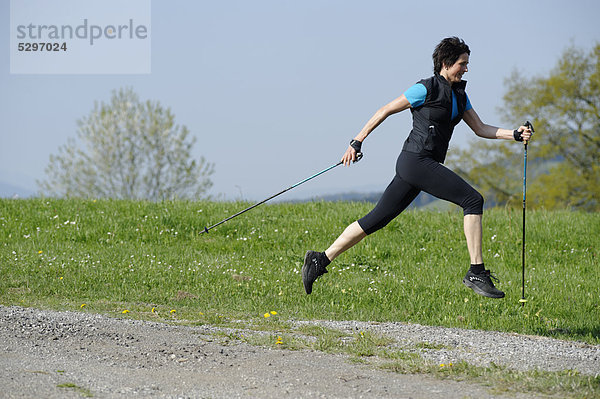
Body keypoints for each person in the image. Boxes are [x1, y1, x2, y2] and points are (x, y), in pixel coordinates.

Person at [302, 37, 532, 298]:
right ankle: (476, 271)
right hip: (416, 161)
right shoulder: (425, 88)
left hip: (421, 165)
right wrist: (357, 141)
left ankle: (320, 260)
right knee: (472, 200)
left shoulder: (460, 95)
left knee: (376, 219)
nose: (466, 69)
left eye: (467, 64)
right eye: (462, 64)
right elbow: (385, 110)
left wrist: (514, 134)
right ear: (446, 63)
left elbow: (480, 128)